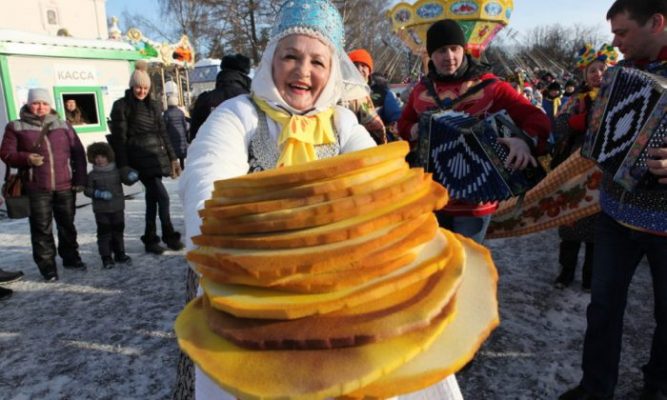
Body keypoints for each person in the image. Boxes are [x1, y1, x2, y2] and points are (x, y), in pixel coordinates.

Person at [178, 1, 464, 399]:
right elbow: (205, 180)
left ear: (331, 72)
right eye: (290, 56)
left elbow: (379, 182)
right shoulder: (237, 114)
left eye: (317, 62)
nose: (303, 71)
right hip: (254, 284)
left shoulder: (343, 122)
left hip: (340, 286)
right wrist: (238, 255)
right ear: (271, 60)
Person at [559, 1, 667, 399]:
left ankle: (657, 386)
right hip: (616, 214)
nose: (615, 43)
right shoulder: (621, 74)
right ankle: (595, 387)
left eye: (622, 32)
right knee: (603, 309)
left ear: (657, 22)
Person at [397, 19, 551, 243]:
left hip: (476, 199)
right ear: (431, 55)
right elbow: (403, 123)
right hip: (430, 195)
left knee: (467, 262)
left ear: (464, 49)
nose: (449, 56)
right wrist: (413, 130)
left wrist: (523, 140)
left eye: (454, 48)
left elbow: (536, 118)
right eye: (441, 51)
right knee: (437, 261)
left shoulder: (491, 87)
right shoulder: (420, 91)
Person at [0, 88, 87, 281]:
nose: (40, 107)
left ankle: (71, 258)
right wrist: (27, 158)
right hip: (36, 187)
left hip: (65, 185)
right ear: (29, 104)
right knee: (41, 229)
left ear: (50, 105)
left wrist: (80, 179)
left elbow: (78, 153)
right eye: (36, 103)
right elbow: (6, 154)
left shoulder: (64, 125)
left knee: (67, 225)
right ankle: (47, 267)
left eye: (44, 103)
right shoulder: (16, 126)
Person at [550, 43, 618, 291]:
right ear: (584, 74)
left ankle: (591, 277)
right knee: (570, 225)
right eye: (592, 70)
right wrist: (578, 122)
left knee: (597, 232)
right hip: (574, 169)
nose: (597, 74)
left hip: (603, 170)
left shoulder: (618, 99)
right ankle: (566, 273)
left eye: (602, 69)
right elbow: (558, 128)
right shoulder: (574, 100)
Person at [109, 61, 185, 255]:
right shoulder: (122, 106)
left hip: (155, 157)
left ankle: (150, 239)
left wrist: (173, 157)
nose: (141, 91)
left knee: (153, 200)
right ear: (131, 86)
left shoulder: (153, 105)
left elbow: (163, 133)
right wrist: (124, 165)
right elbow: (120, 139)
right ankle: (169, 235)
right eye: (138, 87)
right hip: (137, 158)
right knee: (163, 196)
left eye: (144, 87)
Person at [83, 142, 135, 269]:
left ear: (108, 157)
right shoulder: (92, 175)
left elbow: (127, 181)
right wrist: (98, 193)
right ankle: (106, 257)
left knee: (118, 231)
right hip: (101, 210)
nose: (99, 160)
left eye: (102, 156)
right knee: (104, 233)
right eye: (96, 157)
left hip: (117, 207)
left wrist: (131, 177)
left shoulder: (117, 171)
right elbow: (87, 190)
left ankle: (120, 253)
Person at [189, 53, 252, 141]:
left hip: (211, 150)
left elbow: (194, 136)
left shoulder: (205, 99)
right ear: (245, 75)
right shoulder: (252, 100)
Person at [344, 48, 388, 145]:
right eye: (355, 65)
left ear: (369, 71)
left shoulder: (382, 92)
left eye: (364, 65)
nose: (359, 69)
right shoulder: (343, 90)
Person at [370, 71, 403, 141]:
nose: (360, 69)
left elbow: (396, 117)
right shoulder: (348, 92)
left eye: (363, 66)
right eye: (356, 65)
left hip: (378, 139)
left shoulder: (385, 93)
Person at [164, 95, 188, 170]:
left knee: (173, 150)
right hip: (180, 133)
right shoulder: (180, 112)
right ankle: (182, 165)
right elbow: (184, 124)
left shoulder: (167, 113)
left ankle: (173, 167)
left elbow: (164, 125)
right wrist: (184, 132)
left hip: (171, 134)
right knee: (180, 150)